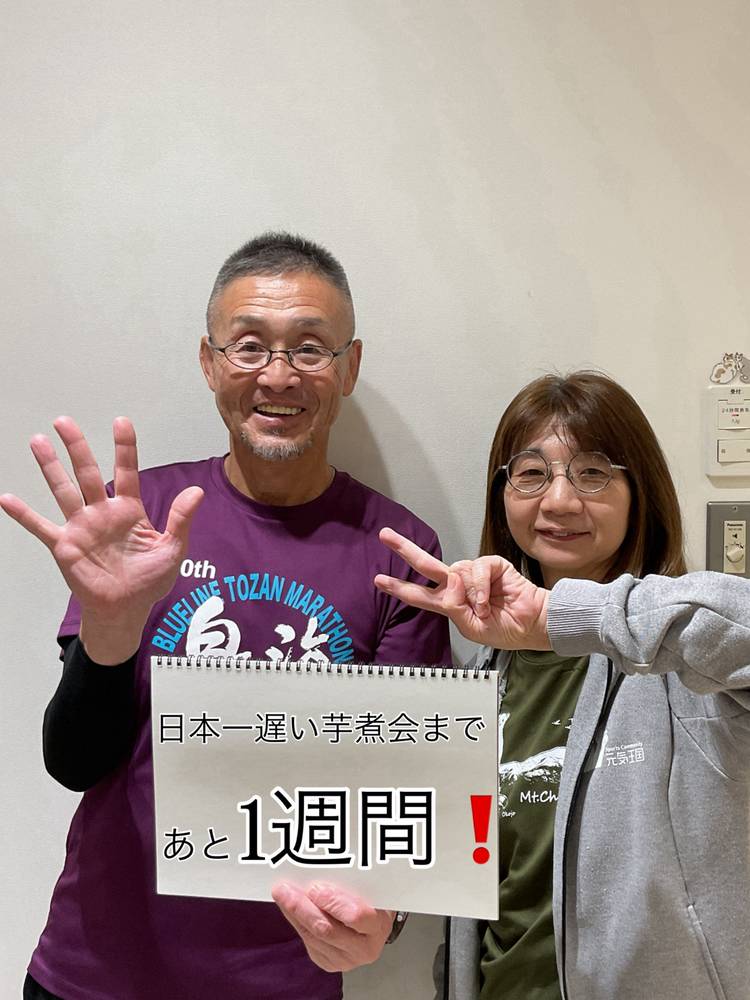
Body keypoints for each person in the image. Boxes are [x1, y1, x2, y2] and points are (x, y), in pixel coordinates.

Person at [1, 232, 452, 1000]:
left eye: (309, 348)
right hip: (94, 973)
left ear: (348, 367)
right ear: (209, 363)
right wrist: (110, 625)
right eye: (248, 347)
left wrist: (389, 916)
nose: (277, 376)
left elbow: (404, 791)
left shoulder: (400, 551)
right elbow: (74, 763)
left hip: (282, 981)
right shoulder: (142, 519)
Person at [371, 371, 750, 1000]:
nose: (560, 501)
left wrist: (561, 616)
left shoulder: (691, 666)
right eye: (531, 474)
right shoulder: (484, 677)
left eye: (593, 473)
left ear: (640, 492)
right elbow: (475, 887)